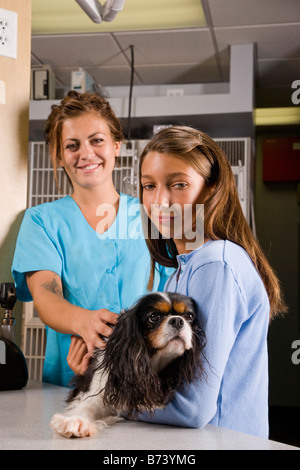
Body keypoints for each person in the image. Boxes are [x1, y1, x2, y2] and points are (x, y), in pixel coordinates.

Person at [11, 91, 169, 387]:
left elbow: (172, 296)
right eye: (72, 146)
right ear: (59, 156)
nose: (85, 153)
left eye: (97, 140)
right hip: (71, 380)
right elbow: (46, 297)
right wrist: (86, 324)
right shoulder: (41, 221)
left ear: (117, 145)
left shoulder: (153, 216)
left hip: (147, 379)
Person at [138, 125, 287, 438]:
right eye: (148, 186)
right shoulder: (182, 268)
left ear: (210, 188)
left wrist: (113, 400)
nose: (159, 200)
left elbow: (192, 408)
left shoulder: (214, 263)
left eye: (177, 184)